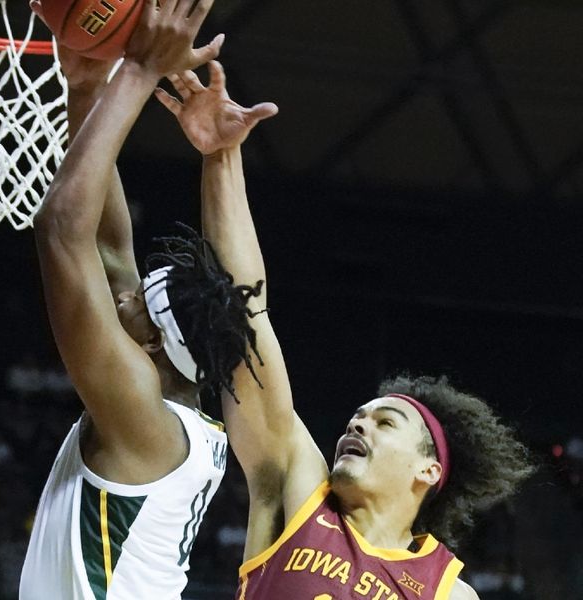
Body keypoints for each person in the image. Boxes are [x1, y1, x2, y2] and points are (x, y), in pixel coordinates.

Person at [156, 63, 536, 599]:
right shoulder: (299, 491)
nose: (360, 421)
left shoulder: (447, 593)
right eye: (362, 415)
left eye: (386, 422)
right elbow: (245, 316)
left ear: (429, 470)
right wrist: (221, 157)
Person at [19, 1, 264, 598]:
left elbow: (60, 228)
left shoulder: (141, 417)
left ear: (153, 342)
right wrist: (84, 91)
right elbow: (104, 243)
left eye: (133, 302)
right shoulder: (168, 406)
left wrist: (138, 70)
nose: (122, 293)